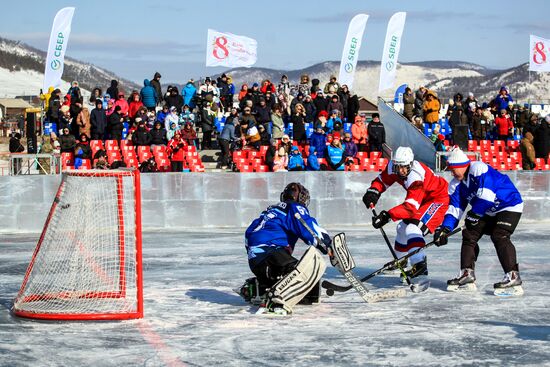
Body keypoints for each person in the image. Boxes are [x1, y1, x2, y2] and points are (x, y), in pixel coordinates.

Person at [434, 147, 524, 295]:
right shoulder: (456, 184)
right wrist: (445, 229)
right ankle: (467, 273)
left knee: (499, 235)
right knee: (469, 233)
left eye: (452, 169)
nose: (451, 173)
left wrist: (474, 215)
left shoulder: (478, 168)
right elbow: (455, 210)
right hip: (488, 211)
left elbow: (486, 197)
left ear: (461, 166)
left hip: (509, 205)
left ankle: (513, 276)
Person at [239, 183, 331, 314]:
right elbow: (307, 226)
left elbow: (249, 234)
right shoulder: (293, 207)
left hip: (256, 260)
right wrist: (327, 244)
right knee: (306, 271)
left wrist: (255, 254)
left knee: (312, 293)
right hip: (271, 252)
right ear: (299, 197)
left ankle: (258, 287)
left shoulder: (270, 211)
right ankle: (274, 301)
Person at [362, 146, 449, 280]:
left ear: (411, 164)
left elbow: (410, 208)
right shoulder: (394, 166)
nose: (401, 171)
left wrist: (387, 216)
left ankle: (419, 264)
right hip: (422, 200)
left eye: (404, 167)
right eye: (398, 167)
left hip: (437, 199)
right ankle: (401, 260)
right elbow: (383, 180)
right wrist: (373, 191)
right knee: (401, 228)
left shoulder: (416, 177)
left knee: (413, 228)